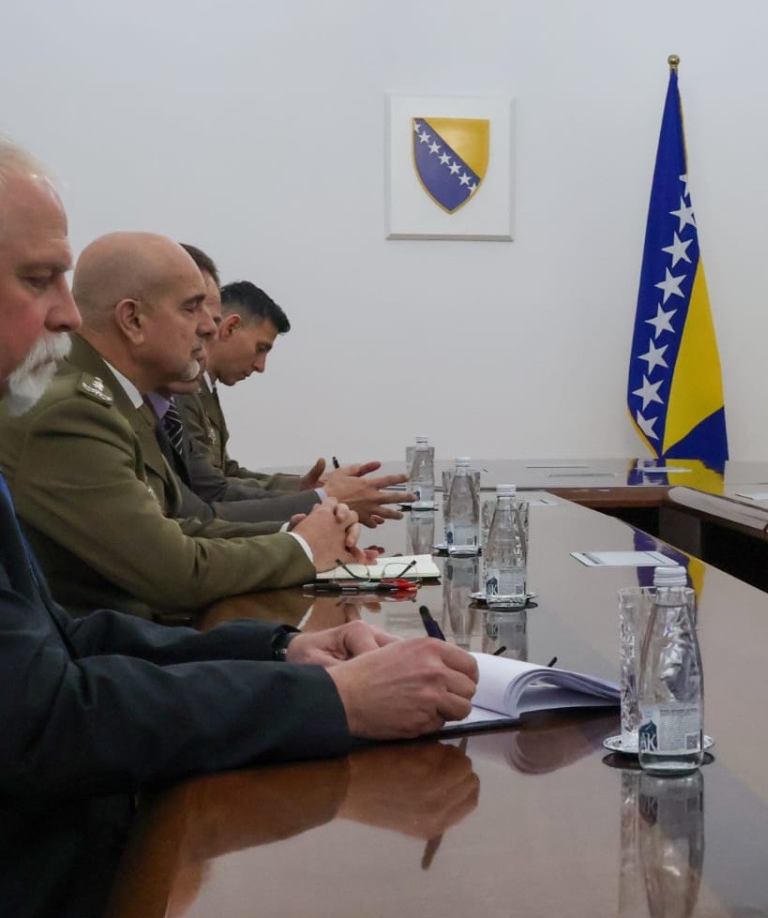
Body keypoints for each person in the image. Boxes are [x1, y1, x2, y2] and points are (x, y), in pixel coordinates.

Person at [0, 138, 477, 798]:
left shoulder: (105, 400)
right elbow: (50, 712)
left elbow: (73, 634)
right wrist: (330, 695)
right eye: (37, 279)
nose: (70, 312)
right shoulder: (67, 410)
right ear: (133, 320)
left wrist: (279, 651)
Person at [0, 228, 368, 619]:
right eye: (191, 308)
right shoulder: (73, 414)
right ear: (133, 320)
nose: (209, 327)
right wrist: (304, 548)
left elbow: (183, 524)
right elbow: (174, 573)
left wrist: (296, 533)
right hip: (115, 644)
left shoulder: (120, 400)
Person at [166, 253, 409, 526]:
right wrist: (319, 497)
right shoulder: (182, 393)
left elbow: (225, 472)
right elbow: (211, 491)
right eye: (260, 348)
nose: (261, 366)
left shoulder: (204, 390)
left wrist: (304, 488)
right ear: (230, 327)